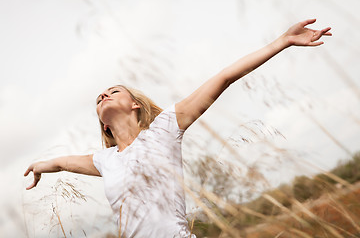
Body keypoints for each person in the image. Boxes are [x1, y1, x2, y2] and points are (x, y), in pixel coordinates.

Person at [24, 19, 331, 237]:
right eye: (99, 97)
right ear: (103, 124)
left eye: (113, 91)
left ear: (135, 105)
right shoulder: (106, 160)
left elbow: (223, 77)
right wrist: (39, 166)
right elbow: (63, 163)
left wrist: (283, 42)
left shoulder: (164, 130)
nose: (104, 94)